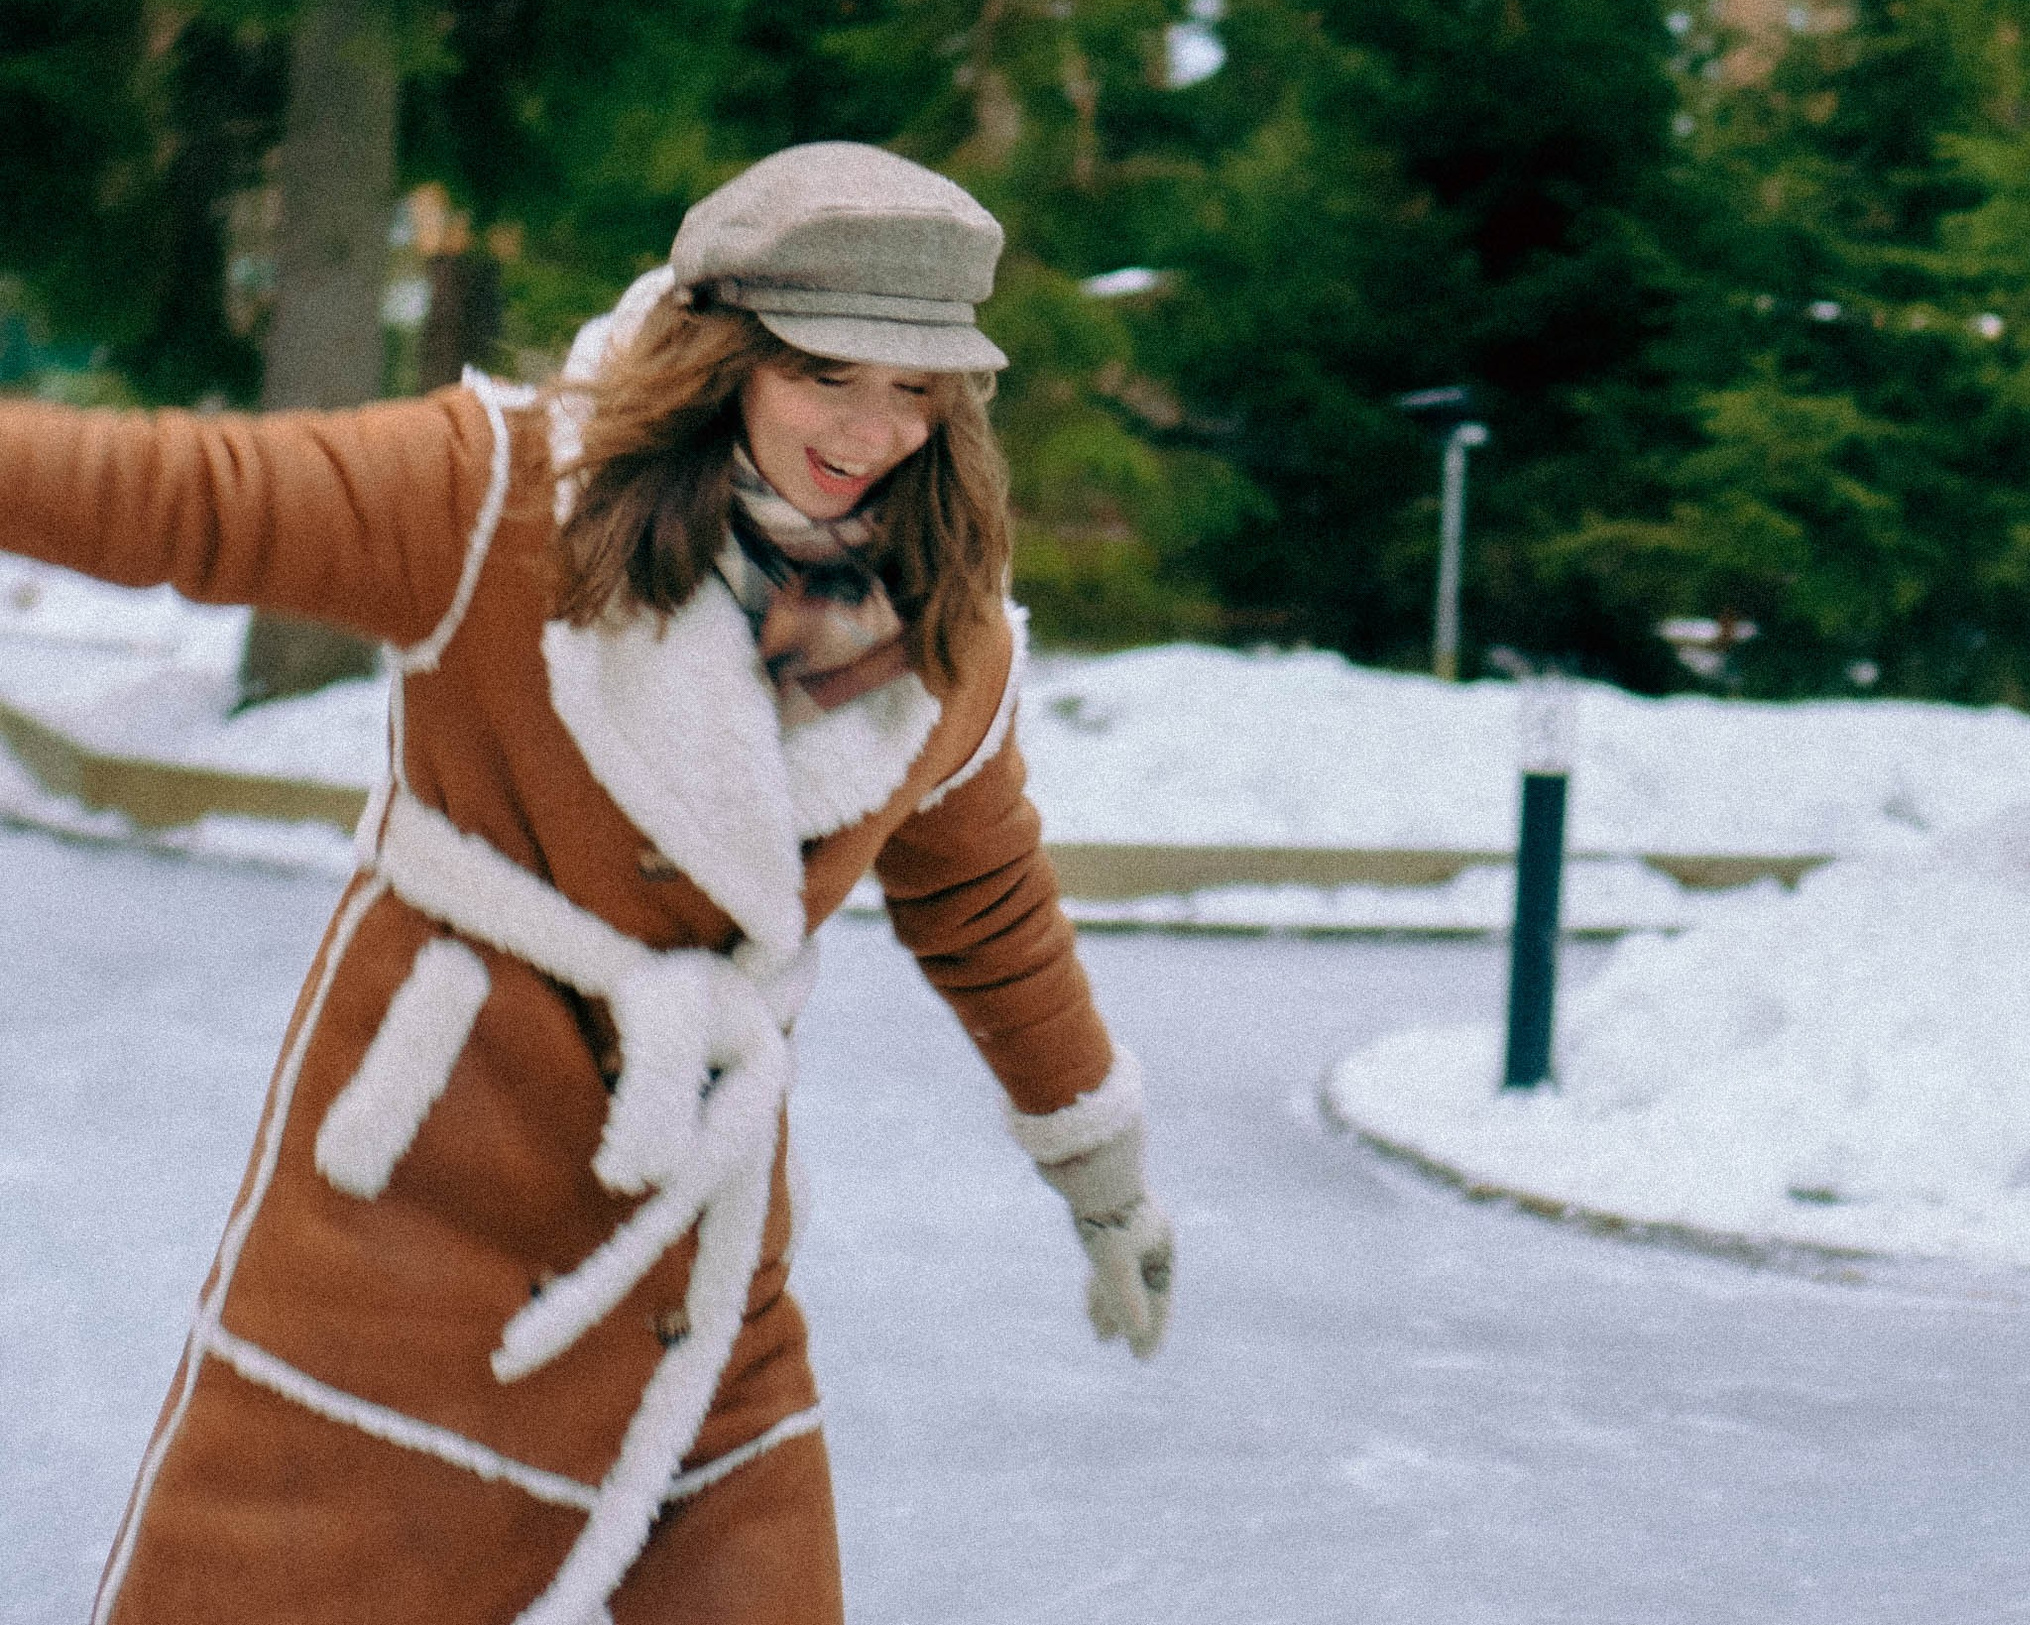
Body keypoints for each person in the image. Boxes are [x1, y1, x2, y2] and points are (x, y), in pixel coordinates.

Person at [0, 141, 1173, 1625]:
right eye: (827, 374)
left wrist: (1102, 1178)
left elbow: (987, 909)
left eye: (918, 389)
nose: (875, 430)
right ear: (724, 349)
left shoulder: (939, 629)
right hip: (401, 1264)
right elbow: (191, 499)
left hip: (697, 1300)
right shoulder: (500, 496)